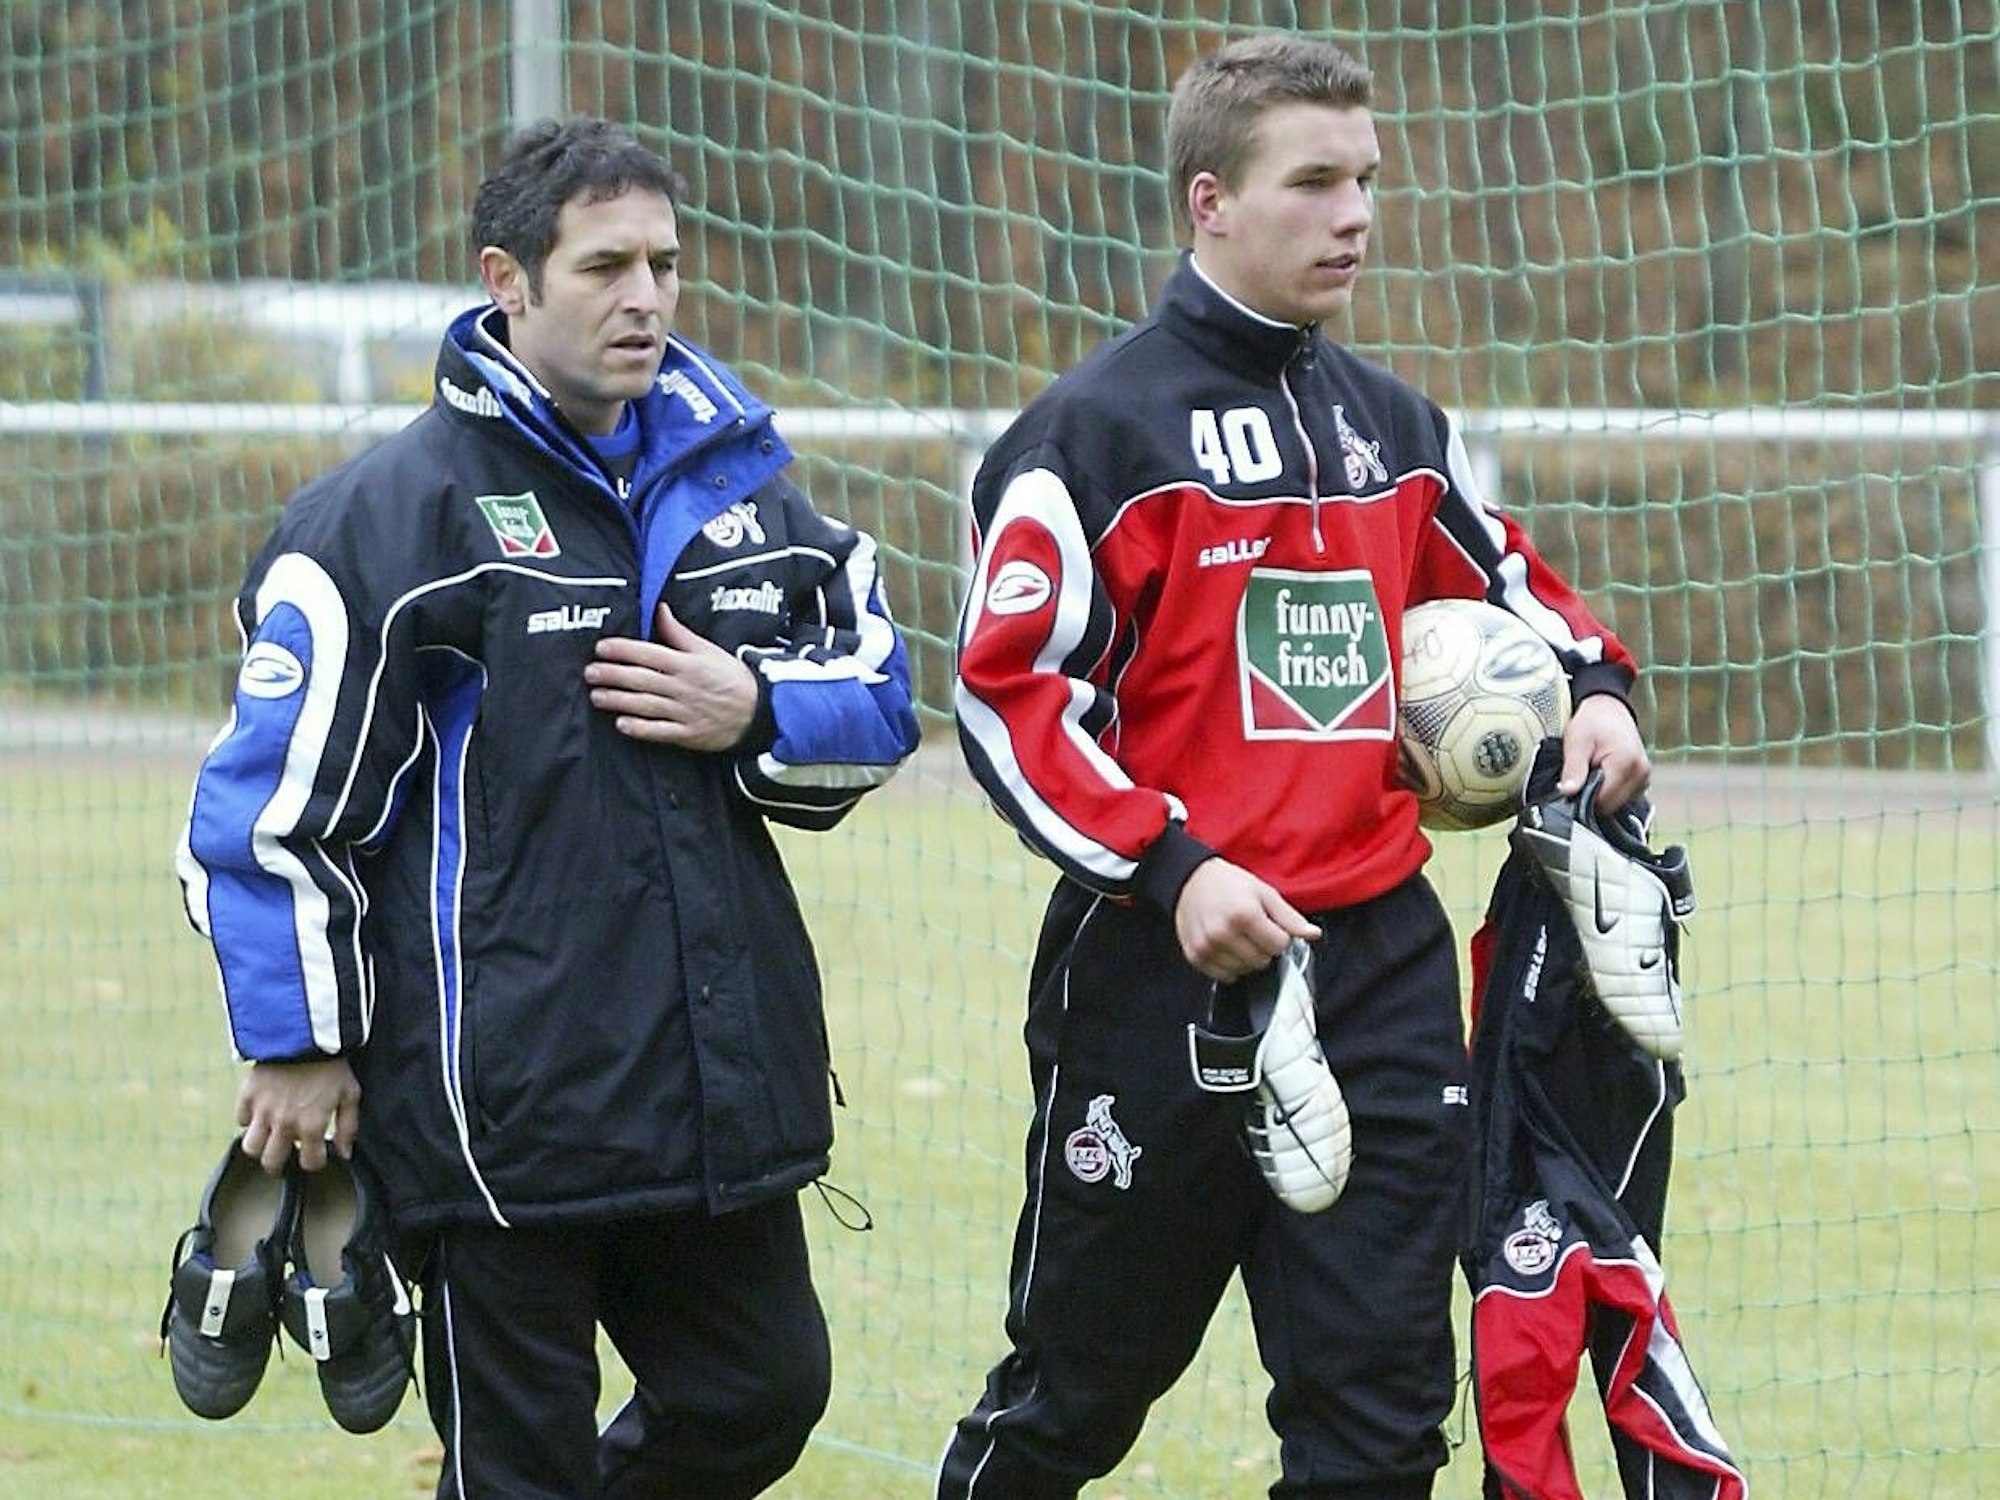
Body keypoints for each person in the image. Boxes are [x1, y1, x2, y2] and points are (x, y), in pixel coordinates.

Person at [941, 34, 1650, 1500]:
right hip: (1162, 968)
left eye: (1368, 181)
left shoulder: (1392, 427)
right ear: (1210, 201)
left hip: (1378, 972)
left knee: (1383, 1428)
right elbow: (1006, 700)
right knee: (1073, 1400)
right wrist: (1169, 865)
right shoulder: (1091, 436)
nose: (1355, 216)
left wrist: (1594, 691)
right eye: (1315, 182)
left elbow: (1516, 586)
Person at [175, 115, 921, 1498]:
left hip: (710, 1092)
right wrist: (297, 1042)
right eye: (604, 267)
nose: (645, 297)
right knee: (520, 1468)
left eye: (666, 263)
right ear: (507, 281)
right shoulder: (389, 522)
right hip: (495, 1117)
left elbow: (885, 697)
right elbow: (266, 816)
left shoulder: (739, 488)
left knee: (762, 1391)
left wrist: (756, 712)